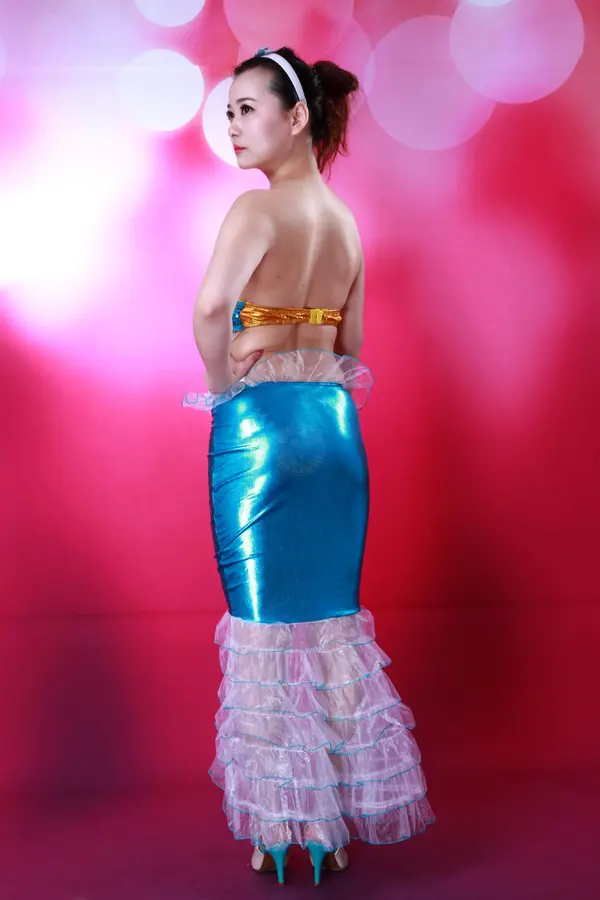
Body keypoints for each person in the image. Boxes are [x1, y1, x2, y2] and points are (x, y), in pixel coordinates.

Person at [183, 46, 435, 886]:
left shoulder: (256, 210)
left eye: (247, 109)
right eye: (227, 112)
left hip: (262, 430)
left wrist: (225, 386)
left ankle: (282, 827)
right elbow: (351, 344)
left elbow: (212, 307)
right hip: (334, 433)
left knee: (265, 628)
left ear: (296, 118)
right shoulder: (346, 222)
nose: (233, 126)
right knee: (330, 623)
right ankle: (332, 825)